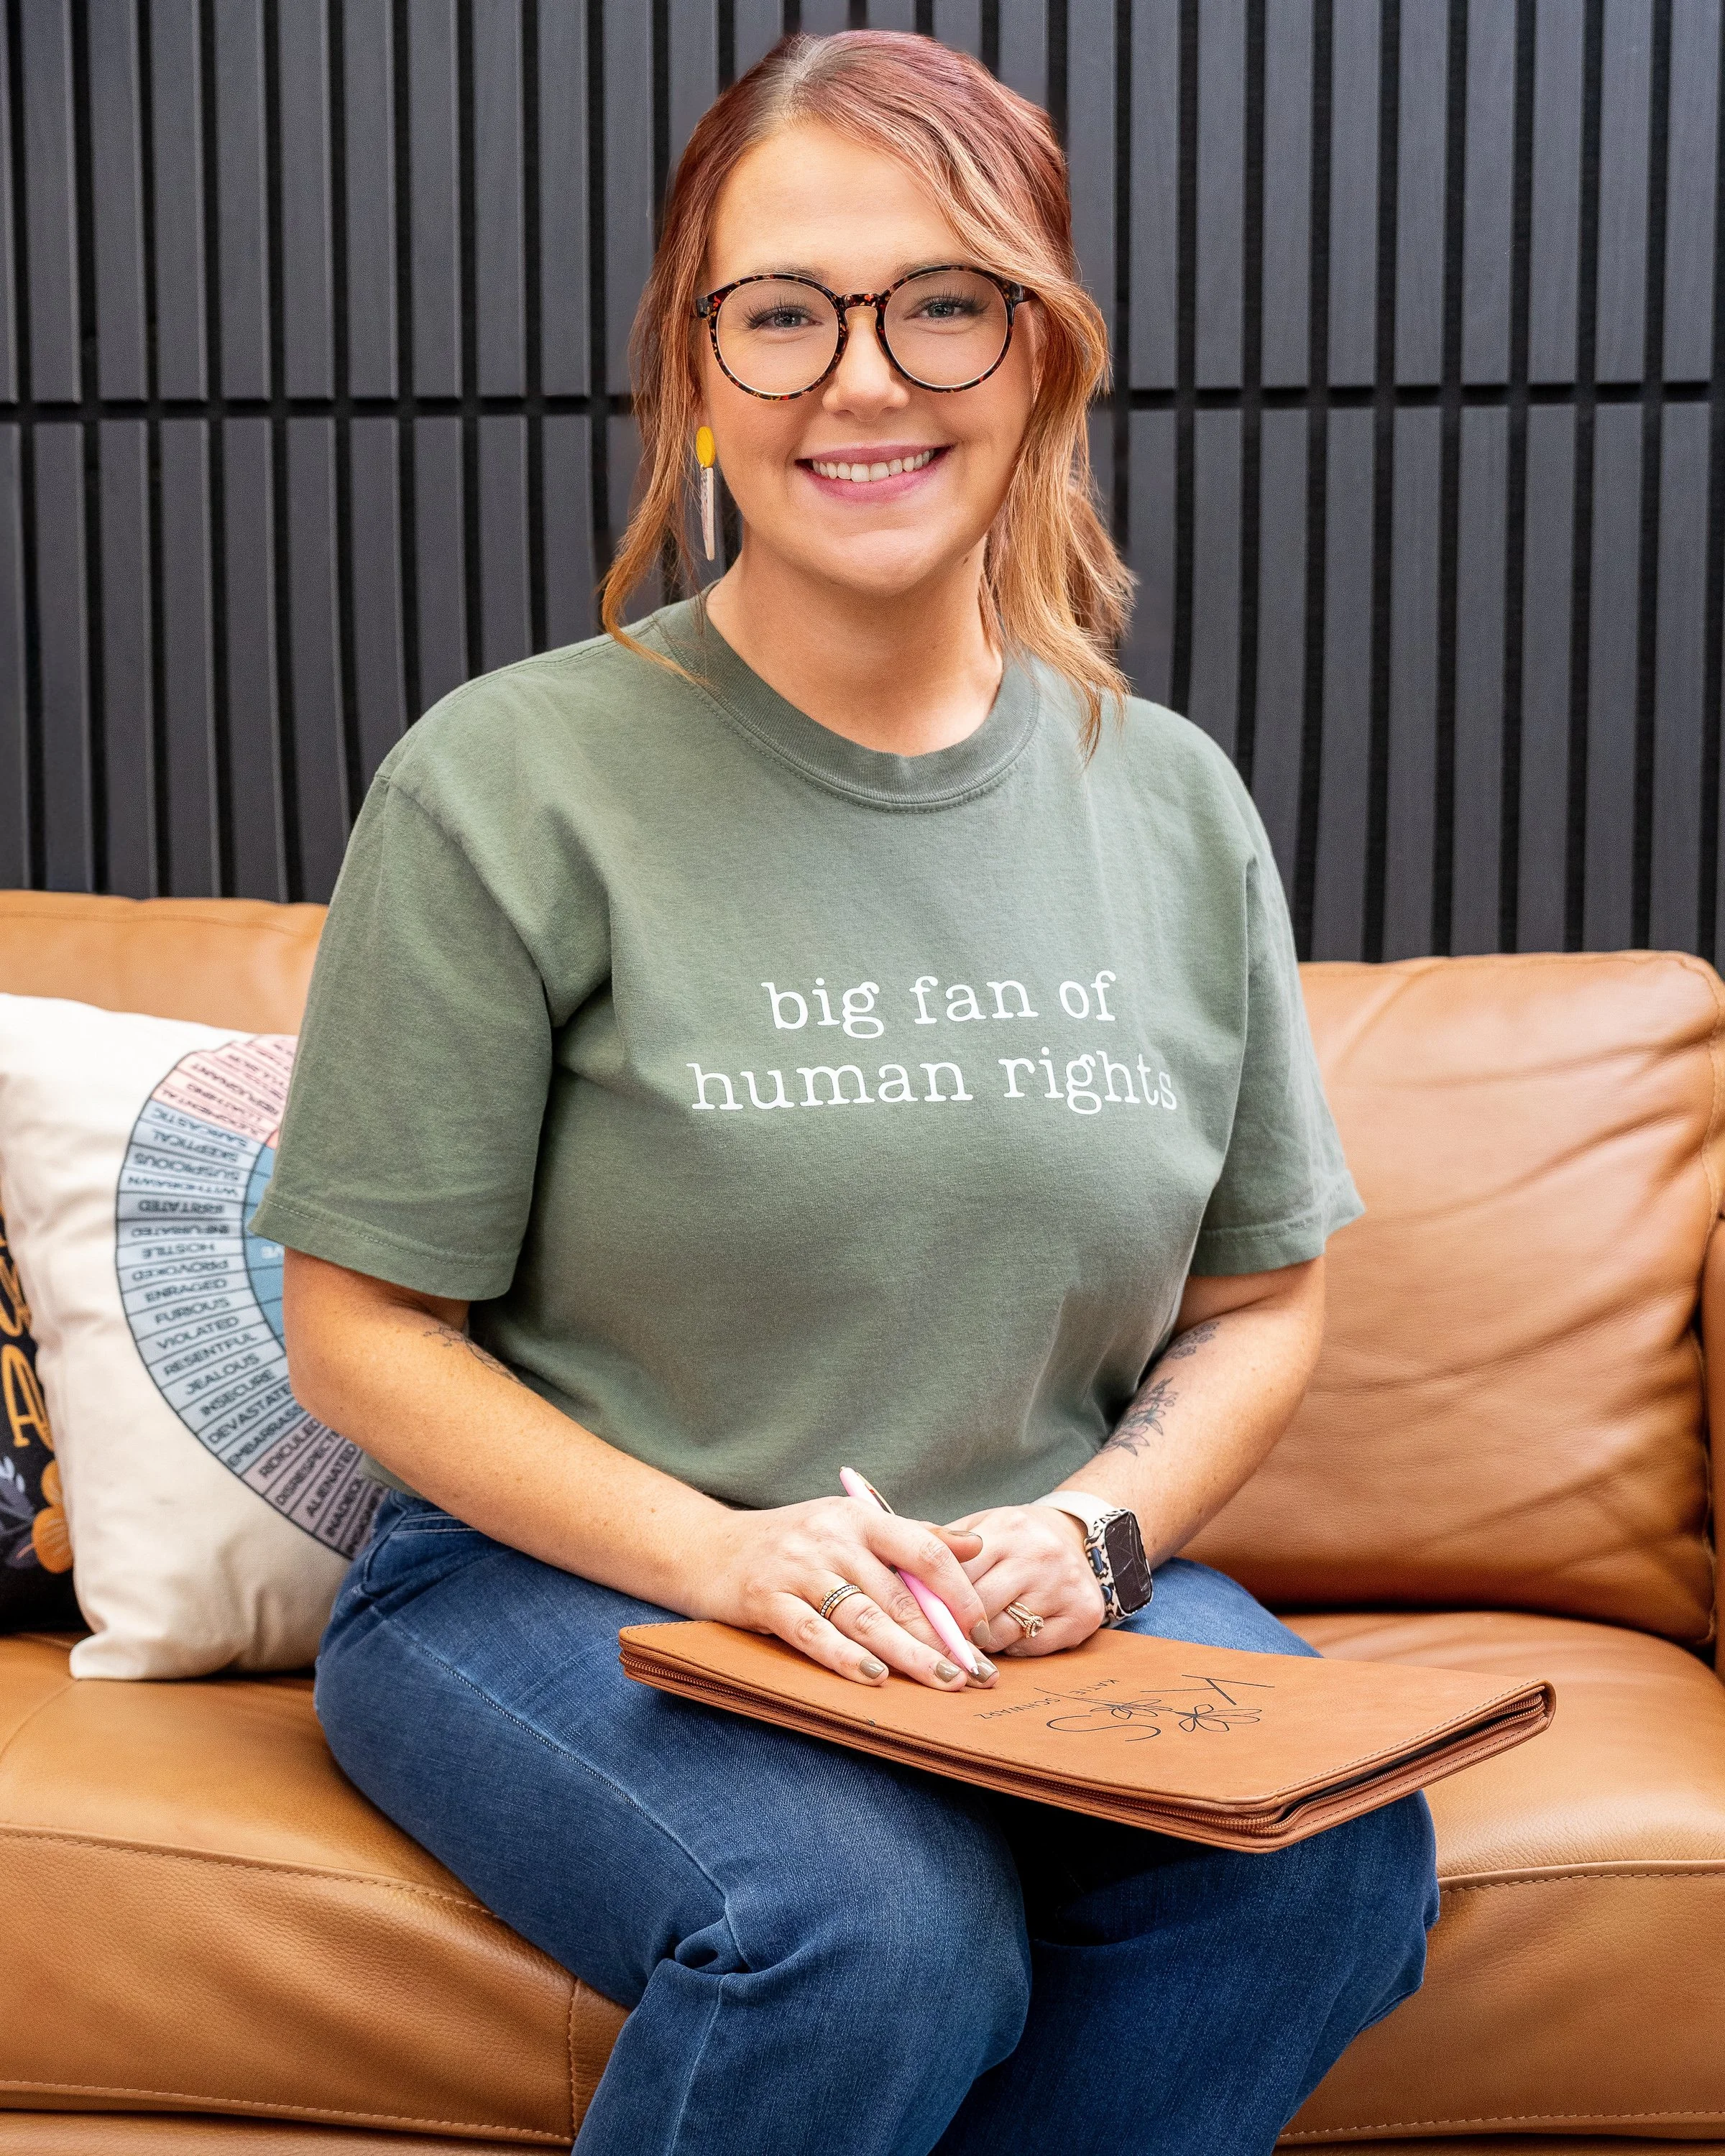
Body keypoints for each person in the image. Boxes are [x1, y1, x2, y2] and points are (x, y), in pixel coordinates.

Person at [257, 30, 1438, 2156]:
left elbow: (1263, 1307)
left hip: (1022, 1599)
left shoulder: (1167, 802)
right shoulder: (507, 780)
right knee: (872, 1931)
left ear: (1042, 357)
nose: (859, 380)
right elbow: (353, 1329)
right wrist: (719, 1555)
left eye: (940, 303)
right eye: (781, 312)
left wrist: (1104, 1527)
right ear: (692, 372)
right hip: (566, 1586)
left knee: (1332, 1857)